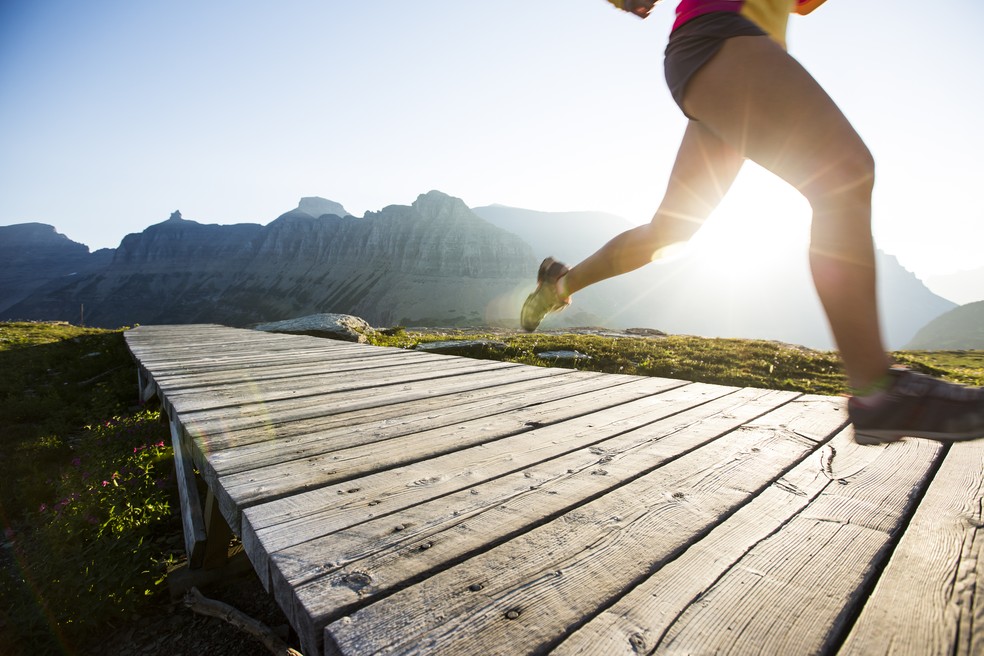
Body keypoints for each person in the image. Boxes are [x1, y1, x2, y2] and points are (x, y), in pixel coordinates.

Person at [520, 0, 984, 444]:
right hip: (722, 38)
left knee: (671, 230)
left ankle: (558, 286)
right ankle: (878, 392)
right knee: (843, 174)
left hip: (720, 53)